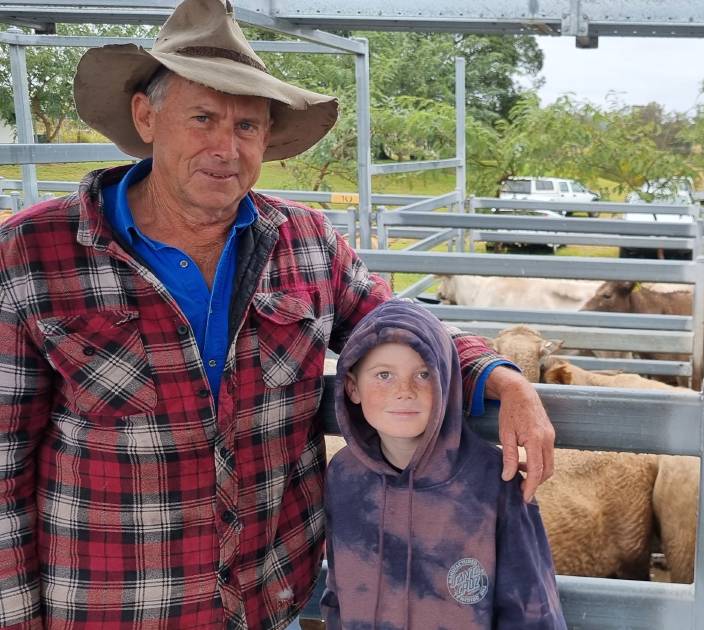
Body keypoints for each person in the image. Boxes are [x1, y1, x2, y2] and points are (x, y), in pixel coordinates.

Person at [0, 0, 555, 627]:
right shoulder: (33, 252)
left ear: (266, 137)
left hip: (269, 606)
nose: (225, 147)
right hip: (114, 608)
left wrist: (504, 379)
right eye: (203, 117)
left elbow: (399, 327)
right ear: (145, 116)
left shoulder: (307, 243)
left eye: (246, 127)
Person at [322, 300, 565, 629]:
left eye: (424, 374)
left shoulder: (495, 480)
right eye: (383, 375)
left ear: (447, 381)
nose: (404, 391)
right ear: (352, 388)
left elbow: (532, 611)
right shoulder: (343, 476)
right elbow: (338, 591)